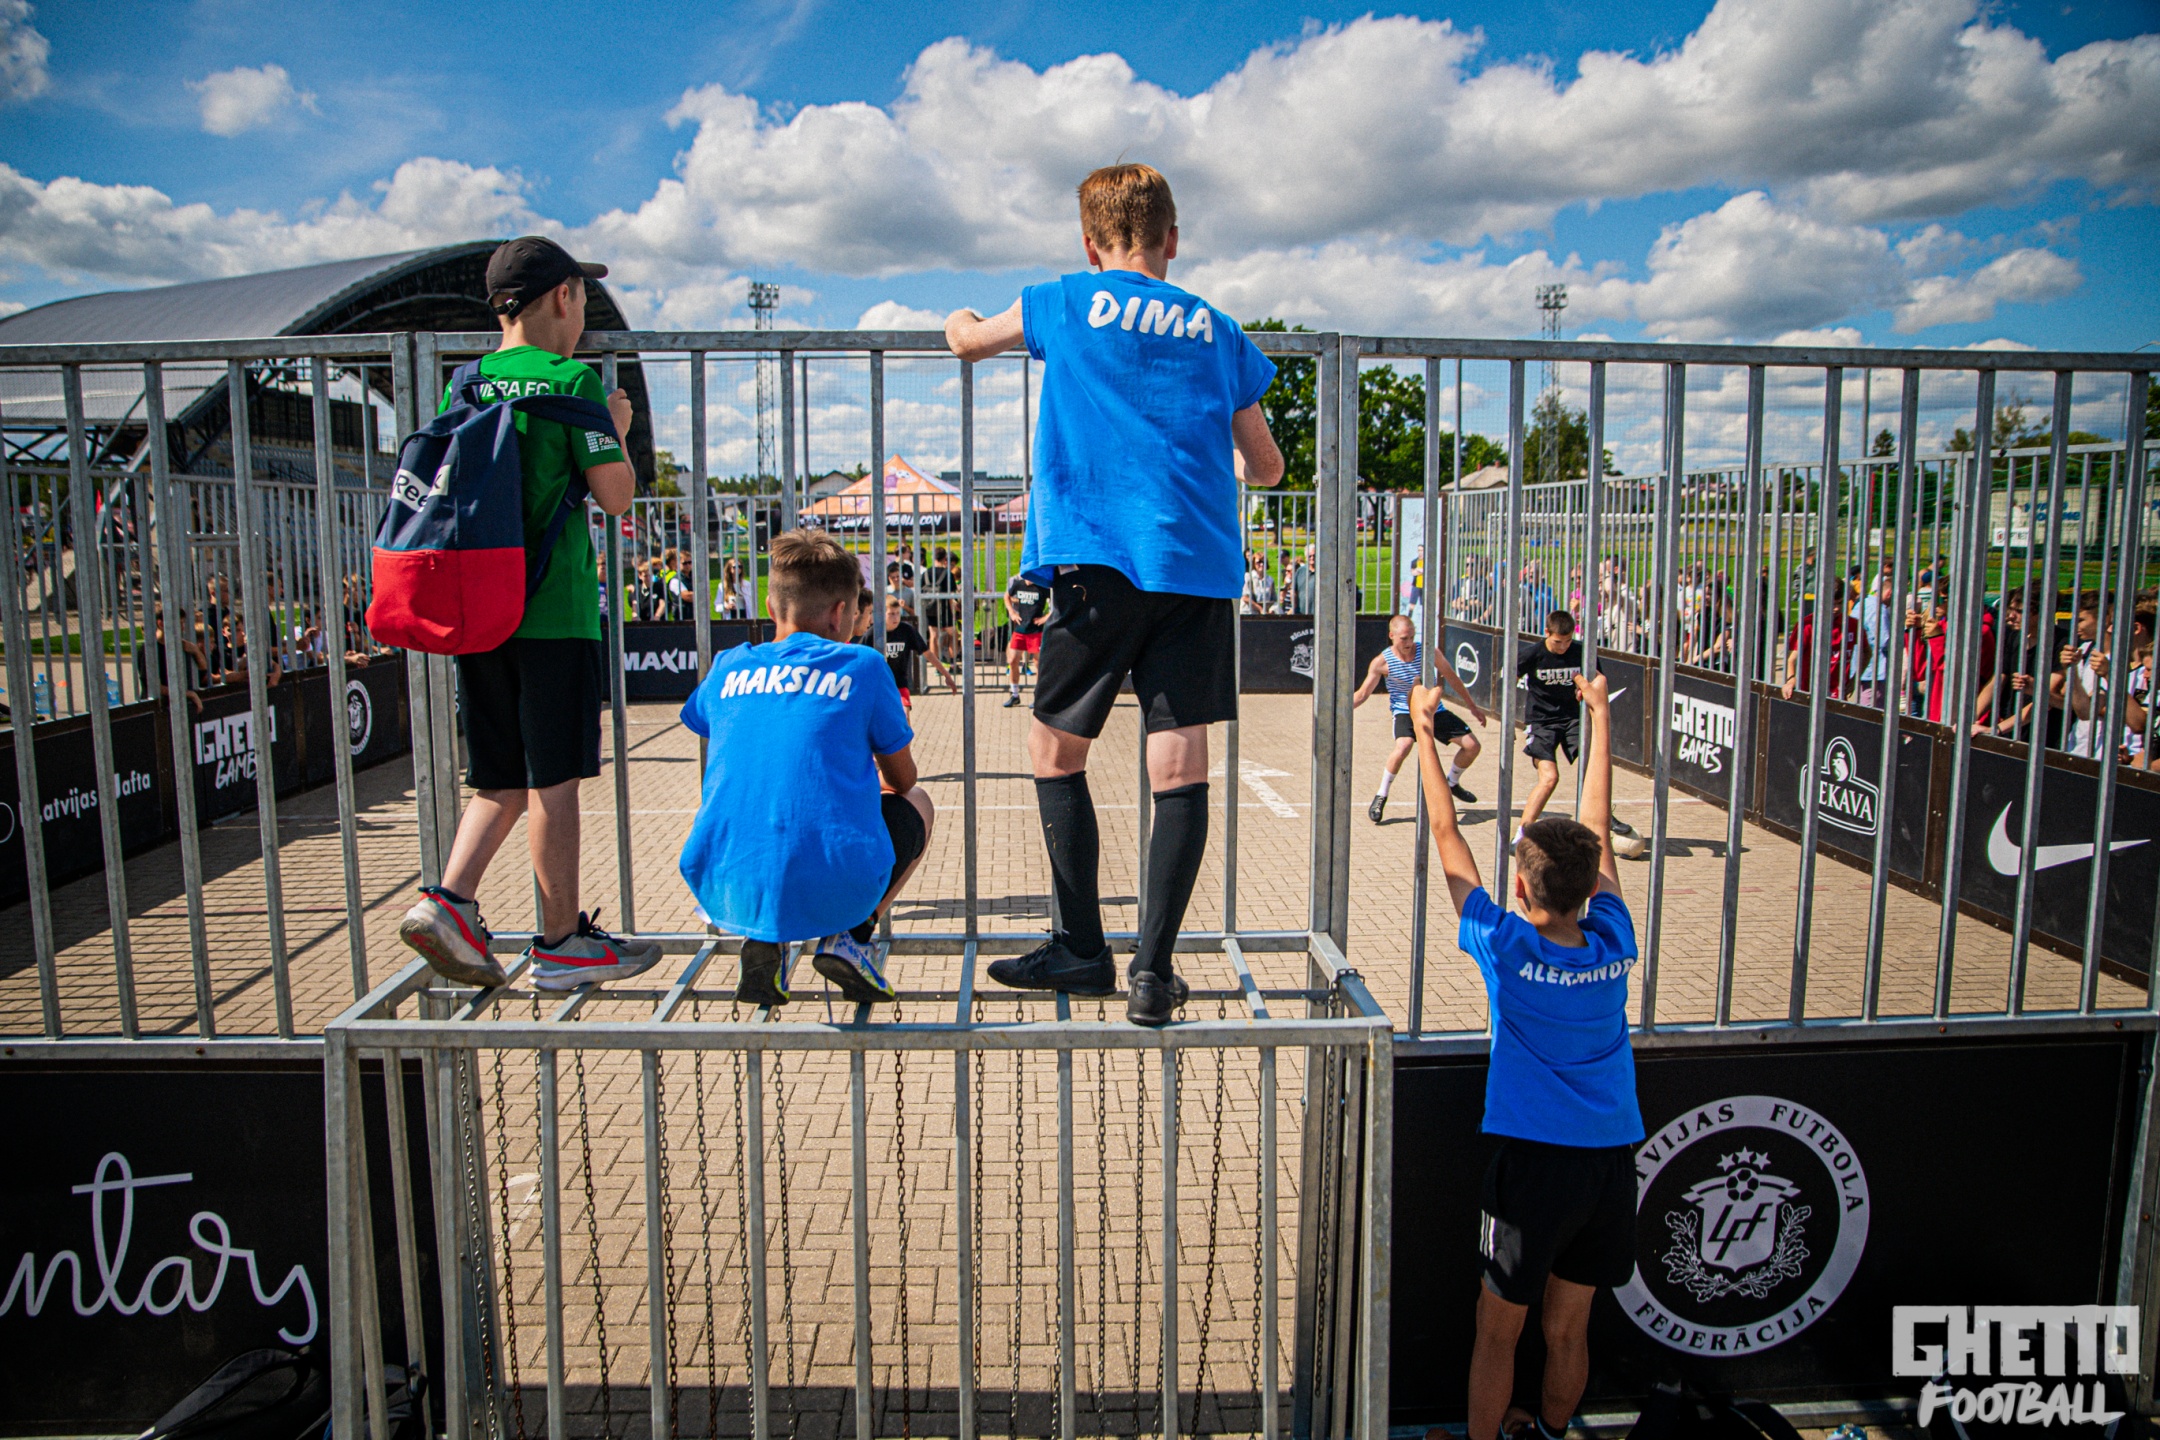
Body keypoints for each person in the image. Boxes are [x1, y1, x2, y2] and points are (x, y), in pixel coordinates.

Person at [946, 161, 1284, 1025]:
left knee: (1056, 751)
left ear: (1090, 245)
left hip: (1094, 559)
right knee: (1179, 764)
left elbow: (969, 342)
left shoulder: (1063, 299)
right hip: (1194, 568)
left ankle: (1082, 948)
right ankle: (1153, 974)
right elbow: (1268, 466)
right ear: (1172, 239)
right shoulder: (1218, 328)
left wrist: (958, 320)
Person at [397, 236, 662, 993]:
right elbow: (615, 495)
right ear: (564, 298)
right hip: (552, 613)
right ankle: (560, 943)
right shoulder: (573, 381)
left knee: (500, 779)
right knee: (555, 782)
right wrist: (611, 424)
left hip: (478, 609)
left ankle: (447, 900)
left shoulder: (465, 383)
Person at [1408, 671, 1639, 1440]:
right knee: (1568, 1329)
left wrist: (1423, 734)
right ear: (1590, 884)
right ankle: (1548, 1434)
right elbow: (1595, 821)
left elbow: (1448, 838)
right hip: (1610, 1163)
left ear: (1518, 885)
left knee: (1497, 1331)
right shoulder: (1612, 941)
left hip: (1536, 1167)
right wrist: (1598, 718)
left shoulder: (1506, 946)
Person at [679, 530, 934, 1006]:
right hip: (833, 877)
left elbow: (725, 731)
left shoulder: (727, 665)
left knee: (765, 801)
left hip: (718, 876)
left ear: (771, 609)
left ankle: (765, 939)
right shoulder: (863, 665)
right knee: (917, 803)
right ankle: (851, 938)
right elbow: (903, 779)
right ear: (841, 614)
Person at [1351, 612, 1485, 824]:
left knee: (1472, 746)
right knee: (1403, 746)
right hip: (1404, 711)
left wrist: (1472, 707)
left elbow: (1451, 677)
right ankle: (1381, 795)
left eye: (1412, 637)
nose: (1409, 643)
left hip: (1433, 710)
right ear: (1392, 636)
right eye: (1404, 638)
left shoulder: (1428, 652)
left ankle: (1452, 782)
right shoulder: (1381, 662)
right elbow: (1362, 694)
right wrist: (1337, 713)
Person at [1513, 610, 1591, 846]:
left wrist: (1585, 691)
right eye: (1558, 641)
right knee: (1550, 778)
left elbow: (1597, 683)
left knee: (1593, 767)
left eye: (1568, 641)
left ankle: (1604, 817)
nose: (1563, 647)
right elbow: (1505, 682)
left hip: (1573, 719)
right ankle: (1522, 835)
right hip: (1541, 722)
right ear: (1546, 632)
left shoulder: (1582, 652)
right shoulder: (1532, 654)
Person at [881, 593, 956, 711]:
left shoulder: (907, 631)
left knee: (905, 713)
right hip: (880, 684)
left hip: (900, 683)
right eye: (891, 614)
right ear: (882, 614)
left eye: (898, 613)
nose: (895, 618)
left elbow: (928, 653)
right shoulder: (874, 633)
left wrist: (946, 675)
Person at [1003, 568, 1050, 707]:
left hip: (1036, 630)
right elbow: (1006, 596)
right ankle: (1014, 694)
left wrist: (1046, 617)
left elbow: (1056, 602)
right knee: (1012, 660)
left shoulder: (1042, 587)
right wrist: (1012, 612)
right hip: (1020, 628)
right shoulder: (1019, 584)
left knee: (1037, 663)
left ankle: (1038, 696)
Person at [1241, 549, 1278, 615]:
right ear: (1253, 564)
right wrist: (1260, 609)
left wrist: (1271, 609)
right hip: (1248, 613)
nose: (1261, 564)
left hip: (1264, 614)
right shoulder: (1248, 577)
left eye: (1264, 562)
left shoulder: (1270, 580)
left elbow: (1273, 599)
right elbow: (1245, 597)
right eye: (1259, 562)